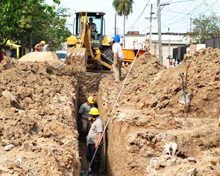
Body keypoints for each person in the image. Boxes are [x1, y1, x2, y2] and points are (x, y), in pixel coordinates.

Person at [86, 107, 103, 176]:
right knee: (89, 156)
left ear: (93, 115)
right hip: (91, 142)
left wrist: (97, 144)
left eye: (91, 114)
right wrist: (91, 121)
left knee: (95, 158)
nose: (90, 115)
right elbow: (93, 129)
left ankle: (95, 172)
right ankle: (92, 170)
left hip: (94, 143)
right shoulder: (95, 120)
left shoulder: (99, 122)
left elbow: (100, 133)